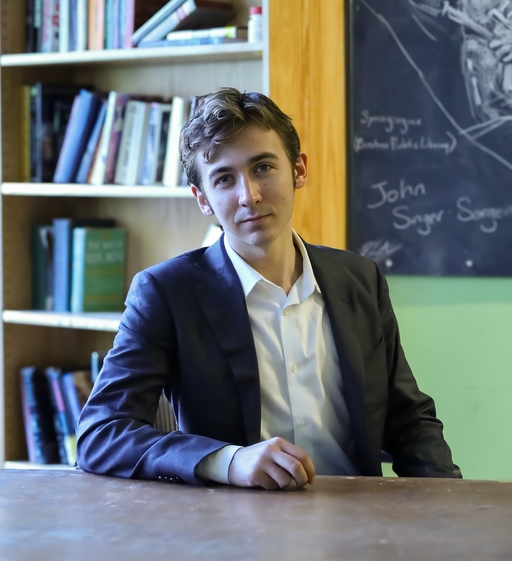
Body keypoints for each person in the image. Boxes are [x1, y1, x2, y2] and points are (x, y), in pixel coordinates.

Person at [76, 88, 461, 489]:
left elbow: (408, 420)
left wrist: (452, 503)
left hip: (356, 513)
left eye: (263, 167)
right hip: (233, 517)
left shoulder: (360, 279)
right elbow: (100, 433)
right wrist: (227, 461)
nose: (250, 196)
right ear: (203, 200)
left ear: (298, 170)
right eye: (224, 179)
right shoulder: (166, 293)